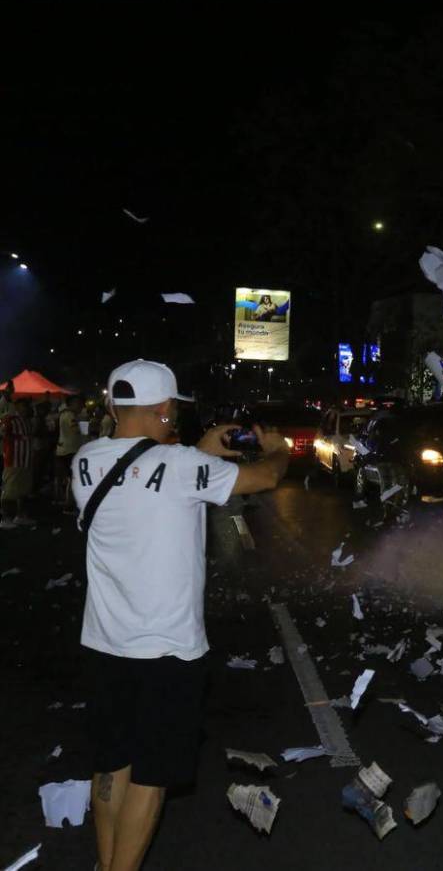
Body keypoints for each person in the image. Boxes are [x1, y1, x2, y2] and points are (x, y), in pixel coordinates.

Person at [72, 360, 291, 871]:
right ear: (166, 408)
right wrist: (278, 449)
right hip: (168, 652)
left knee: (111, 767)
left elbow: (139, 475)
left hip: (104, 646)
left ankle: (105, 866)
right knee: (152, 775)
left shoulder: (84, 460)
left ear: (111, 405)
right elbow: (262, 478)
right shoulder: (183, 468)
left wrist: (192, 451)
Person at [0, 398, 37, 528]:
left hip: (26, 460)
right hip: (13, 460)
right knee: (10, 489)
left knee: (24, 489)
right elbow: (3, 434)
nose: (25, 408)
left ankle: (20, 516)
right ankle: (5, 518)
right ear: (16, 406)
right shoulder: (10, 419)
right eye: (22, 406)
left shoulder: (26, 421)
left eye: (26, 406)